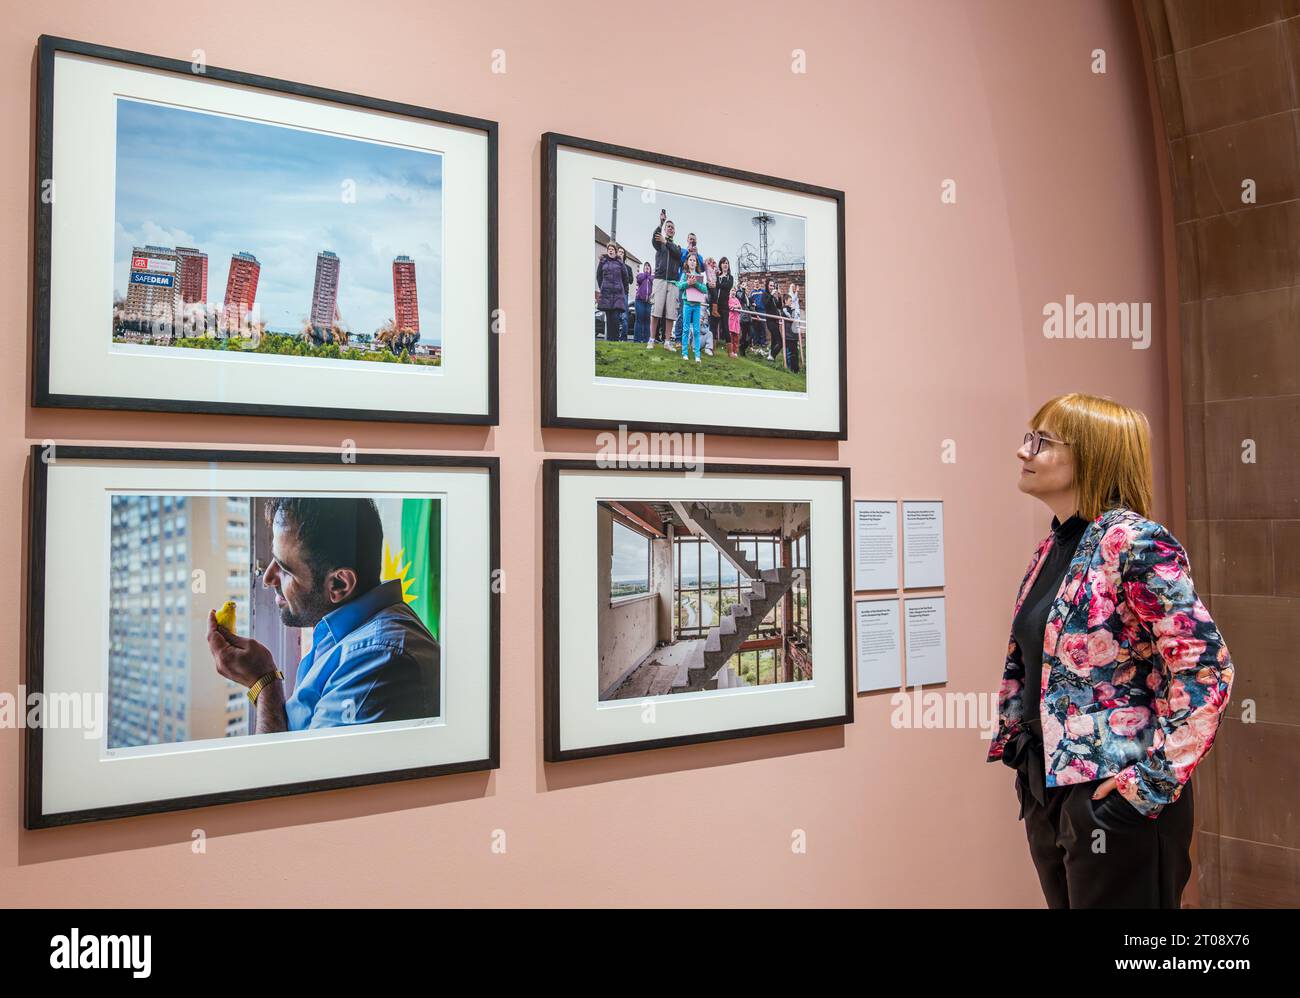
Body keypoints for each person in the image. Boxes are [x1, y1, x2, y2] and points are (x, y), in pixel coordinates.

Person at [989, 393, 1233, 909]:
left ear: (1092, 455)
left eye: (1041, 441)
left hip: (1116, 793)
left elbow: (1206, 669)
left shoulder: (1136, 543)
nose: (1022, 451)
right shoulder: (1055, 546)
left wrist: (1150, 783)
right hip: (1049, 786)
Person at [206, 497, 441, 732]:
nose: (267, 578)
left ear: (339, 584)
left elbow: (289, 769)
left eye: (285, 569)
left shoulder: (379, 662)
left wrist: (264, 684)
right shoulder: (342, 636)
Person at [649, 210, 683, 350]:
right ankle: (651, 339)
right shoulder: (659, 243)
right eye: (668, 226)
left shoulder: (677, 247)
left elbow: (677, 255)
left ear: (674, 231)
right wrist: (661, 222)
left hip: (673, 282)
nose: (670, 228)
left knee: (670, 313)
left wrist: (667, 242)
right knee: (656, 310)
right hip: (660, 280)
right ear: (665, 229)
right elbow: (654, 238)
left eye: (672, 227)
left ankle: (667, 342)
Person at [676, 252, 708, 363]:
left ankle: (697, 355)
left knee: (696, 330)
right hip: (687, 304)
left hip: (697, 306)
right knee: (685, 329)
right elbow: (679, 286)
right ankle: (684, 353)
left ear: (696, 263)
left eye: (694, 260)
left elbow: (704, 290)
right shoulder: (685, 275)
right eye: (691, 260)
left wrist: (696, 284)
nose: (692, 262)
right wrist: (688, 283)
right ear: (687, 262)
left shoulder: (699, 275)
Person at [595, 242, 627, 341]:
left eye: (612, 249)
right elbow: (598, 276)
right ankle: (609, 340)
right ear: (607, 251)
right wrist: (602, 287)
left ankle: (615, 340)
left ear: (615, 251)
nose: (610, 250)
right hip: (607, 294)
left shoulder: (620, 262)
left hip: (618, 294)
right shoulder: (603, 262)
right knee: (609, 319)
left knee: (615, 318)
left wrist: (623, 289)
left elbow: (625, 277)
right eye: (609, 249)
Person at [715, 257, 734, 358]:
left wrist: (717, 284)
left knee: (725, 327)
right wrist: (716, 283)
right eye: (723, 263)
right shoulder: (717, 276)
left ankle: (730, 352)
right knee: (713, 326)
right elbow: (710, 285)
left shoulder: (730, 277)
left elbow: (728, 286)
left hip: (724, 306)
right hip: (715, 305)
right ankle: (712, 349)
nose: (725, 265)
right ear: (720, 265)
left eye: (727, 263)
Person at [764, 278, 784, 364]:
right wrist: (771, 295)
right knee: (780, 342)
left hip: (776, 321)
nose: (772, 287)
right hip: (770, 321)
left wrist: (779, 297)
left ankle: (771, 359)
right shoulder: (765, 294)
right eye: (770, 285)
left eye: (773, 285)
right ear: (767, 286)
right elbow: (765, 305)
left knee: (774, 341)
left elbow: (779, 306)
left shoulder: (773, 297)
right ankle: (771, 356)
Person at [634, 261, 653, 342]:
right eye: (646, 266)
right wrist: (646, 274)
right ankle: (637, 340)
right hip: (639, 301)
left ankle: (646, 340)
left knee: (647, 321)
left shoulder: (652, 277)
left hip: (649, 302)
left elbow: (654, 281)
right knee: (639, 320)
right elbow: (639, 279)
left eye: (648, 266)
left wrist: (649, 275)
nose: (647, 267)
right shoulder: (640, 275)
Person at [617, 246, 634, 341]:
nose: (620, 253)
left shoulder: (628, 268)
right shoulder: (613, 265)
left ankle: (624, 338)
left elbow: (631, 280)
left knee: (624, 317)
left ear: (624, 255)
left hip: (624, 293)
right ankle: (614, 337)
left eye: (622, 252)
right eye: (619, 252)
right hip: (614, 293)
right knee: (615, 316)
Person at [726, 283, 742, 358]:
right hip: (731, 320)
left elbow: (740, 308)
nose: (733, 292)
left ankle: (735, 351)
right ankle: (731, 351)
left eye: (735, 291)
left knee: (736, 338)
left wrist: (738, 307)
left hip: (737, 321)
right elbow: (729, 306)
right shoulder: (728, 298)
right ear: (730, 291)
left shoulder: (737, 299)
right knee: (731, 337)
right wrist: (735, 306)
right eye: (732, 290)